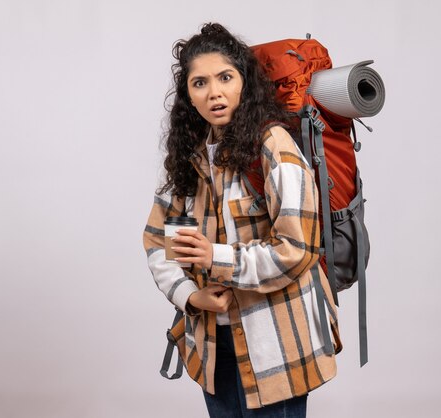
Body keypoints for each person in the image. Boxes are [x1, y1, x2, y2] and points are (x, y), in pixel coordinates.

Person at [143, 23, 341, 417]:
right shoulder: (192, 156)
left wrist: (214, 258)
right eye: (199, 82)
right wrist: (190, 296)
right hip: (215, 349)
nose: (214, 92)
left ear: (244, 83)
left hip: (277, 350)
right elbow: (156, 240)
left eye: (225, 77)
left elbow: (297, 249)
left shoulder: (275, 148)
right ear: (188, 96)